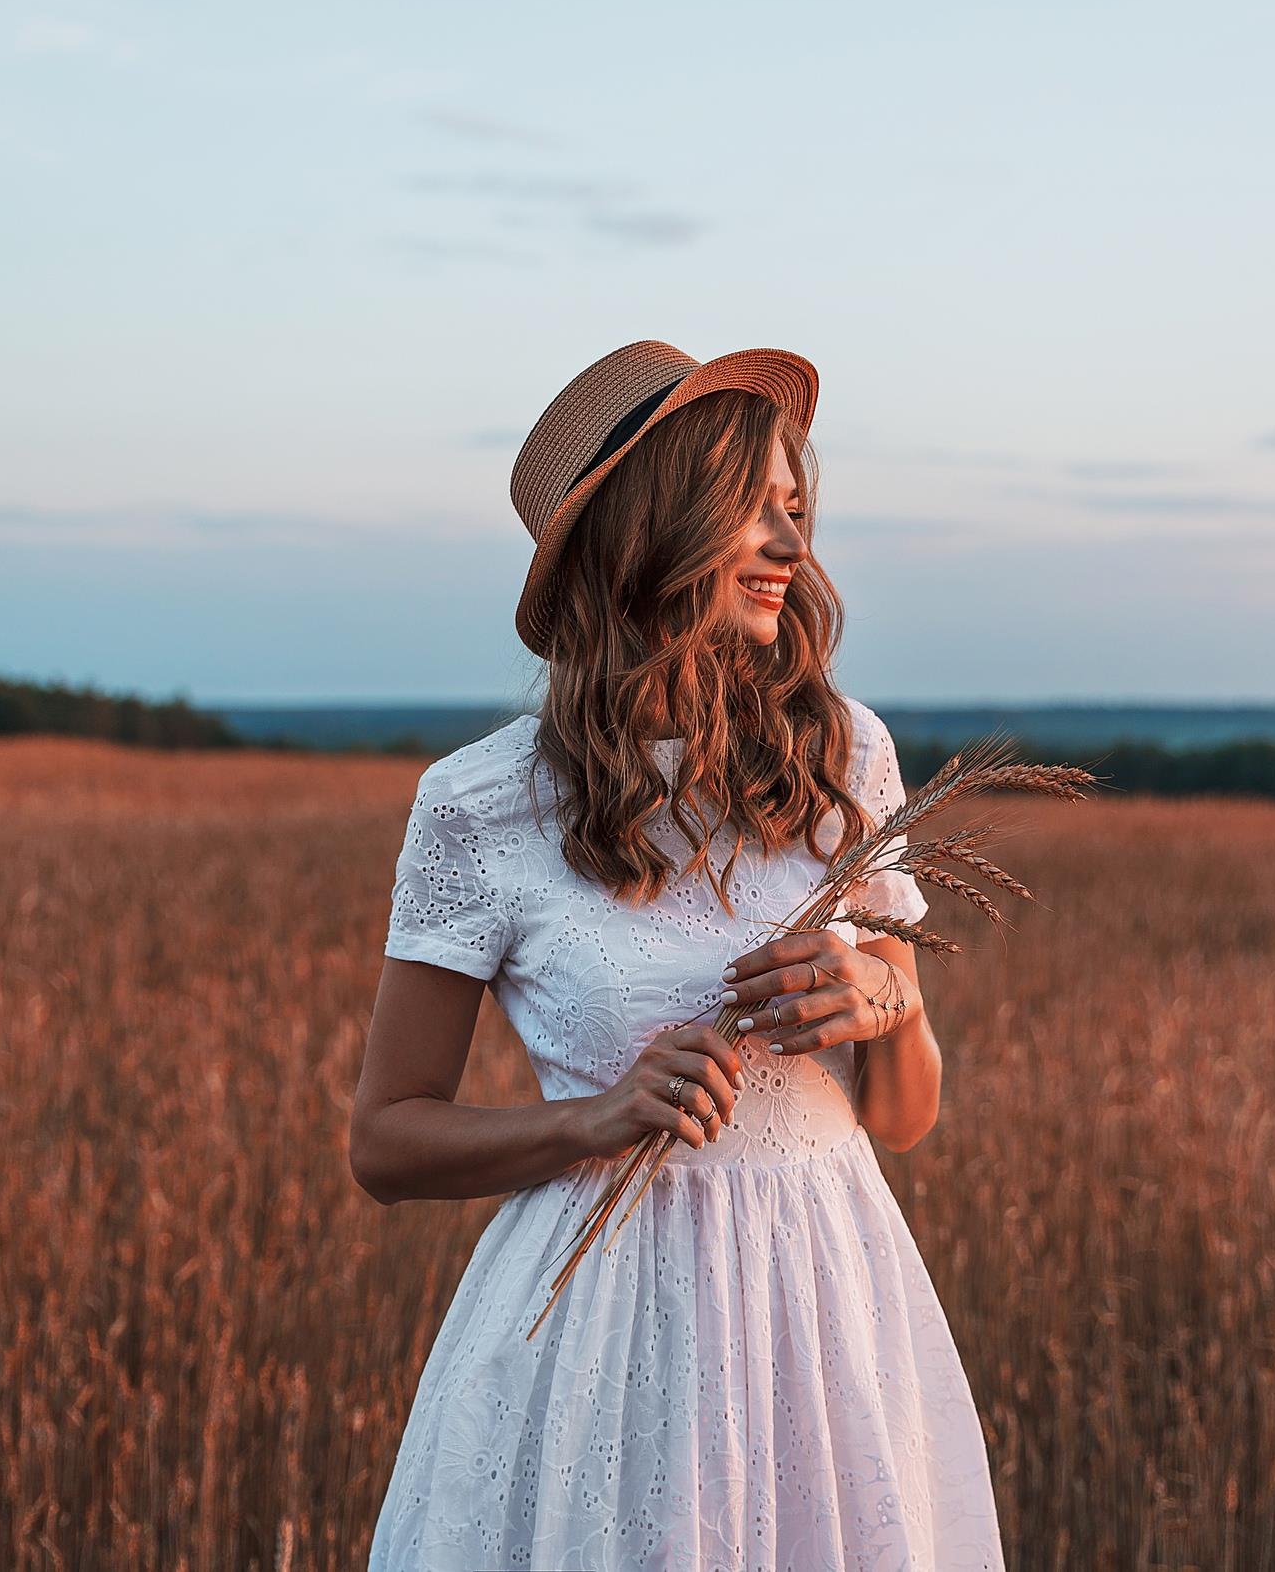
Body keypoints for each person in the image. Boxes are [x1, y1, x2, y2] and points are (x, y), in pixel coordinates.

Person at [349, 340, 1005, 1569]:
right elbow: (386, 1141)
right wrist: (598, 1118)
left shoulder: (844, 758)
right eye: (749, 510)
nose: (790, 546)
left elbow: (903, 1120)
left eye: (795, 510)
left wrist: (887, 1001)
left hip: (829, 1319)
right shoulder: (479, 806)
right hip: (599, 1340)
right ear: (654, 531)